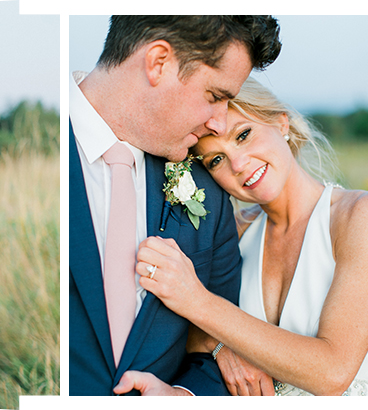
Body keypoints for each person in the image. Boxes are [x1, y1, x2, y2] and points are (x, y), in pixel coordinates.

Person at [67, 15, 281, 396]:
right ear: (158, 62)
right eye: (215, 96)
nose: (219, 123)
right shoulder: (23, 159)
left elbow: (219, 347)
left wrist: (184, 397)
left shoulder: (207, 185)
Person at [132, 78, 368, 396]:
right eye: (216, 160)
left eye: (243, 135)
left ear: (281, 122)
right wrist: (220, 345)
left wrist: (197, 299)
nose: (239, 165)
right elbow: (185, 333)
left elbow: (333, 372)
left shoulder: (356, 217)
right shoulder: (236, 232)